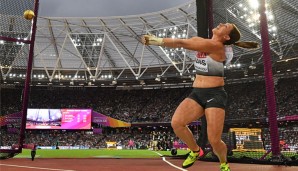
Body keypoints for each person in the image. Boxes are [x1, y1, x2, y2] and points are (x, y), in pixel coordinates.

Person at [141, 23, 258, 171]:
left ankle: (223, 163)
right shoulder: (203, 42)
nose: (221, 23)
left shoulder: (217, 47)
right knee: (177, 123)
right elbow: (187, 42)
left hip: (215, 94)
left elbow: (181, 43)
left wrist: (155, 41)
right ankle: (196, 150)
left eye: (225, 26)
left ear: (226, 36)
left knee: (214, 141)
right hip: (197, 93)